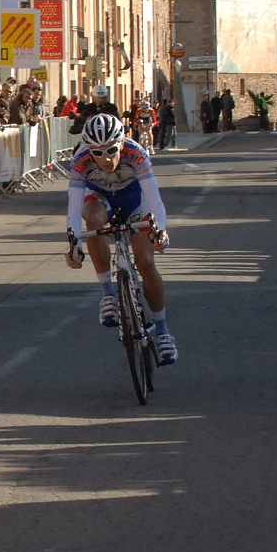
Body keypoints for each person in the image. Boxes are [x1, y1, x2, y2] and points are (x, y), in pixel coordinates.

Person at [64, 113, 177, 365]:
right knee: (91, 219)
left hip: (136, 199)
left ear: (122, 143)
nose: (105, 158)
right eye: (97, 152)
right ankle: (108, 293)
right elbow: (73, 210)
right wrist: (75, 245)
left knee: (146, 263)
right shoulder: (81, 161)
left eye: (111, 150)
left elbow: (155, 200)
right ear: (87, 150)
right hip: (101, 199)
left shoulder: (136, 154)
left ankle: (162, 330)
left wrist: (162, 231)